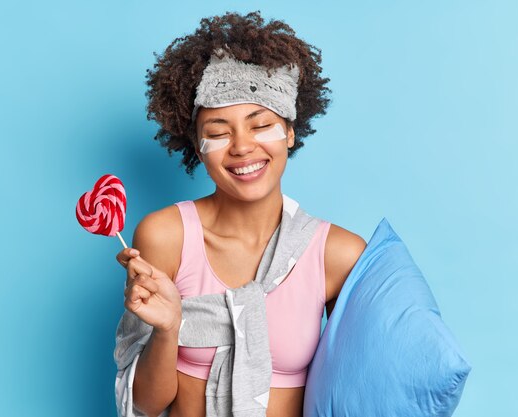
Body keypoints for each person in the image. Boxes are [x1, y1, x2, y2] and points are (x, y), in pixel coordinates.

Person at [113, 11, 366, 417]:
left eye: (260, 124)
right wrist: (167, 328)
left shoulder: (338, 255)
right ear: (198, 148)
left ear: (289, 131)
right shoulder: (165, 236)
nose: (242, 147)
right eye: (217, 131)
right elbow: (143, 403)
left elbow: (356, 391)